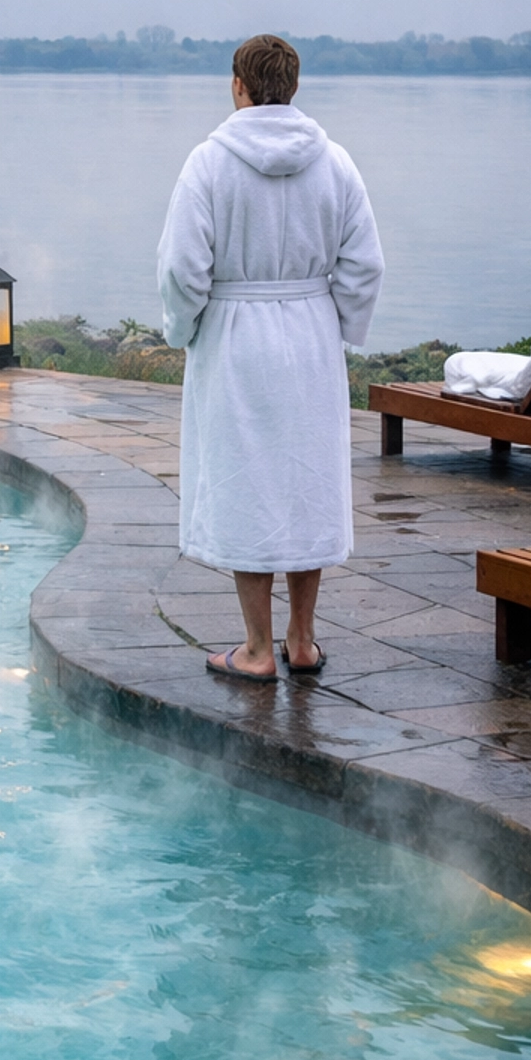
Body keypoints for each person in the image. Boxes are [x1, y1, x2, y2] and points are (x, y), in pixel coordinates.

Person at [155, 34, 384, 681]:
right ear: (294, 85)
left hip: (234, 337)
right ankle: (303, 640)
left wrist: (185, 328)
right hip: (309, 333)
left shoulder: (208, 163)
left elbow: (181, 267)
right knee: (306, 484)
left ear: (238, 85)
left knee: (247, 485)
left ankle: (256, 649)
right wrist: (335, 324)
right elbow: (366, 264)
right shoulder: (335, 162)